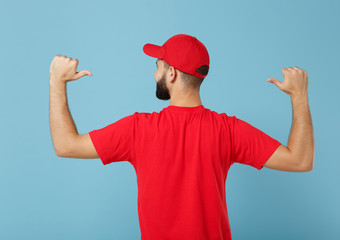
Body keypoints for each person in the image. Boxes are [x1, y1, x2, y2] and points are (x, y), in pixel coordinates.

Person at [49, 34, 314, 240]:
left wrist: (56, 81)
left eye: (158, 66)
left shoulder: (138, 128)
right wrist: (299, 95)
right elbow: (300, 161)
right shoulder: (228, 129)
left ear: (172, 73)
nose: (155, 73)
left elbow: (65, 145)